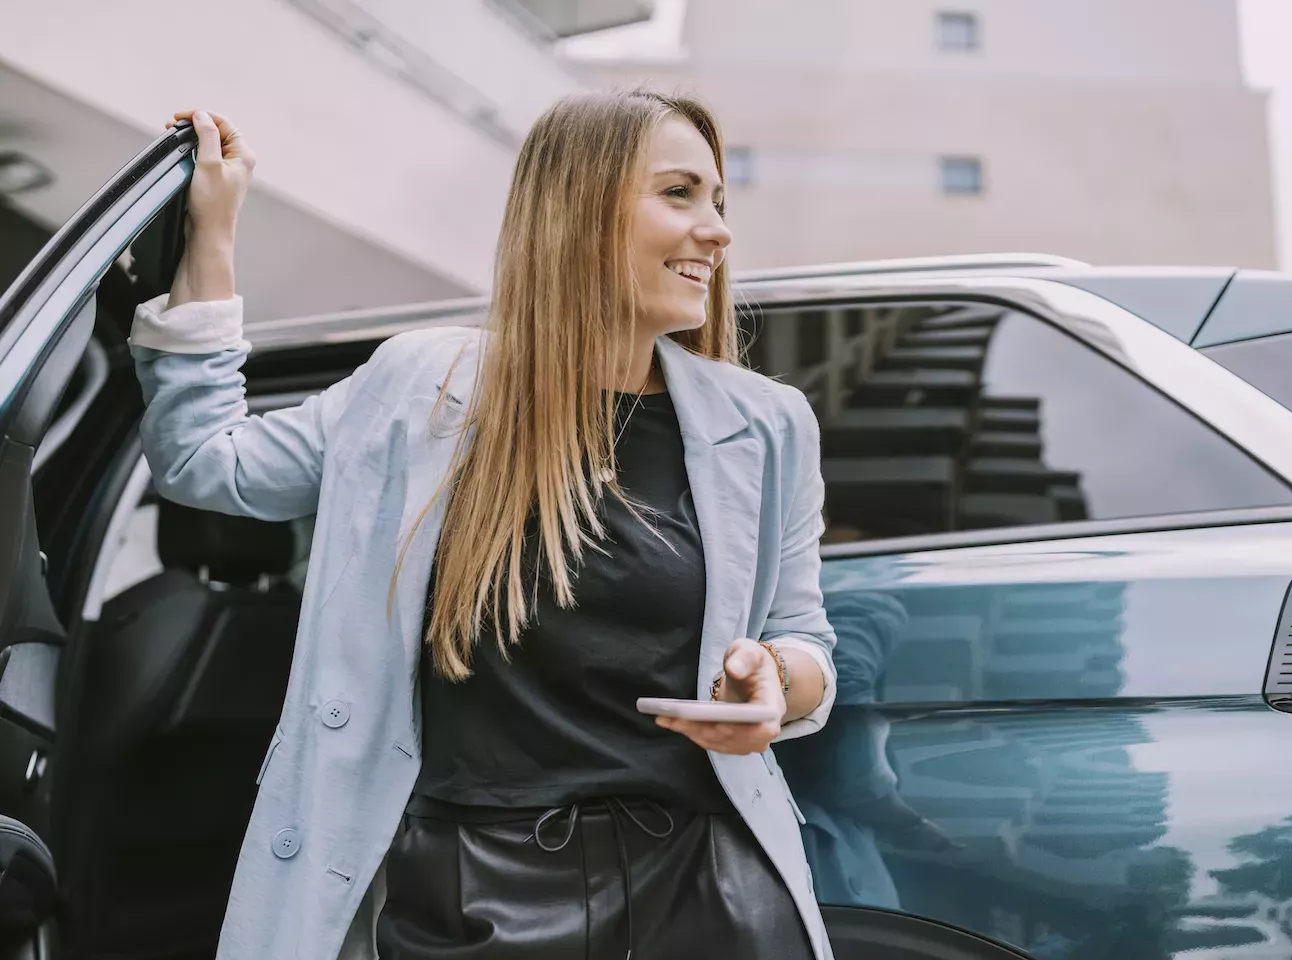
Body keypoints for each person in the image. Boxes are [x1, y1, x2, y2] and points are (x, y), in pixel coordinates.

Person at [131, 92, 837, 959]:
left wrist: (772, 677)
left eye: (719, 203)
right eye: (681, 194)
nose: (718, 232)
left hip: (707, 890)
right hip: (471, 894)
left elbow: (803, 638)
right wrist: (214, 230)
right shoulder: (424, 386)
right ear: (579, 206)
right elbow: (207, 463)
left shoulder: (768, 424)